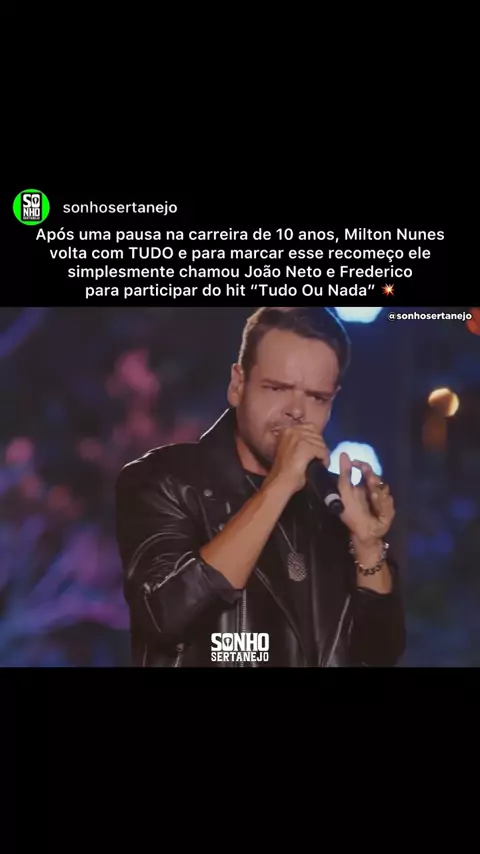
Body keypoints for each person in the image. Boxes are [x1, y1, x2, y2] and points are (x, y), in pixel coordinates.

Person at [115, 307, 405, 667]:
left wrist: (367, 545)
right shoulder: (163, 479)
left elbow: (379, 653)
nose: (297, 411)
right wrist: (279, 485)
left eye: (317, 397)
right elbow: (167, 616)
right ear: (238, 385)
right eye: (277, 388)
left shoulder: (335, 503)